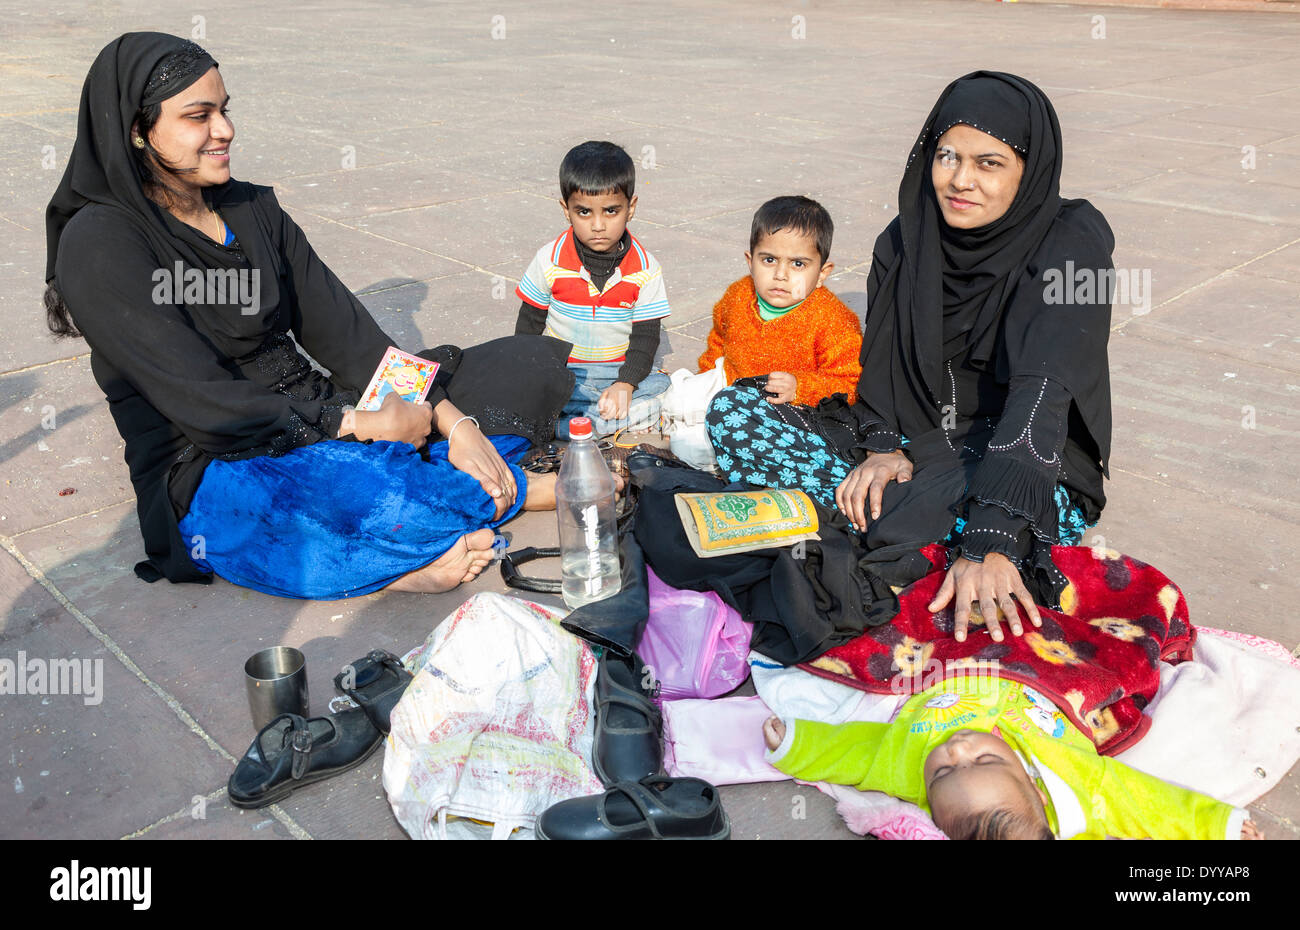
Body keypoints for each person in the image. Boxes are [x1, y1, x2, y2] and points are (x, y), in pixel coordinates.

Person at [44, 33, 568, 600]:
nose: (224, 130)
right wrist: (363, 426)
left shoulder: (250, 207)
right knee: (377, 499)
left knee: (530, 364)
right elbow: (203, 402)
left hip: (316, 407)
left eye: (224, 110)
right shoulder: (101, 242)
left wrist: (449, 420)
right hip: (210, 452)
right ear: (137, 132)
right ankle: (493, 499)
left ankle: (449, 495)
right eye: (199, 116)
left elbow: (348, 337)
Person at [719, 72, 1117, 642]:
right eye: (947, 156)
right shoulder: (905, 237)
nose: (961, 181)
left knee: (1011, 527)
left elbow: (1043, 397)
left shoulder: (1073, 245)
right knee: (738, 410)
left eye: (990, 163)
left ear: (1029, 171)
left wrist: (993, 539)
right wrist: (883, 444)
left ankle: (898, 530)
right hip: (921, 438)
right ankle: (906, 533)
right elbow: (882, 364)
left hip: (1024, 454)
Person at [761, 675, 1263, 840]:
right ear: (1031, 778)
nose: (957, 750)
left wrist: (797, 744)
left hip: (948, 670)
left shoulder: (905, 762)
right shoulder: (1074, 780)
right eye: (983, 762)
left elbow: (855, 751)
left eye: (943, 771)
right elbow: (1144, 802)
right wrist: (1218, 825)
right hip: (1042, 682)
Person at [698, 196, 863, 488]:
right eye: (769, 260)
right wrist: (705, 381)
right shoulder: (737, 297)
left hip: (799, 419)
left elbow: (851, 383)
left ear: (822, 273)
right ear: (750, 261)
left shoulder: (832, 319)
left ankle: (798, 480)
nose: (781, 275)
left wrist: (801, 387)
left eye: (798, 264)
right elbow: (718, 343)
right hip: (736, 408)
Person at [514, 141, 671, 439]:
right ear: (566, 210)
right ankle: (597, 421)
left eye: (611, 211)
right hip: (567, 371)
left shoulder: (646, 269)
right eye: (584, 212)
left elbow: (646, 338)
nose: (598, 225)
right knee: (532, 387)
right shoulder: (549, 259)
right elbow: (529, 324)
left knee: (662, 386)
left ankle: (570, 425)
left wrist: (626, 383)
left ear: (631, 207)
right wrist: (525, 372)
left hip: (618, 370)